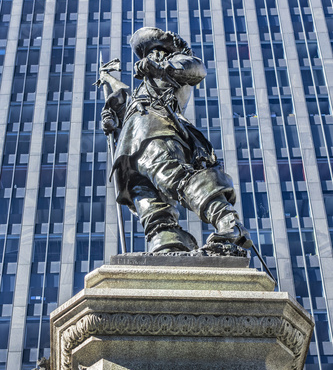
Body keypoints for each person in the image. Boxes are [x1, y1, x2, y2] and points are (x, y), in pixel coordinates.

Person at [102, 27, 252, 254]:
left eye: (155, 51)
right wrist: (112, 117)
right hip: (130, 143)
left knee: (172, 175)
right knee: (144, 195)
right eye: (148, 53)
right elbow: (128, 107)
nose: (151, 56)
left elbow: (196, 70)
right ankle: (166, 241)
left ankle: (227, 220)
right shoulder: (142, 88)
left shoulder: (175, 64)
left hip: (157, 129)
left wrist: (162, 68)